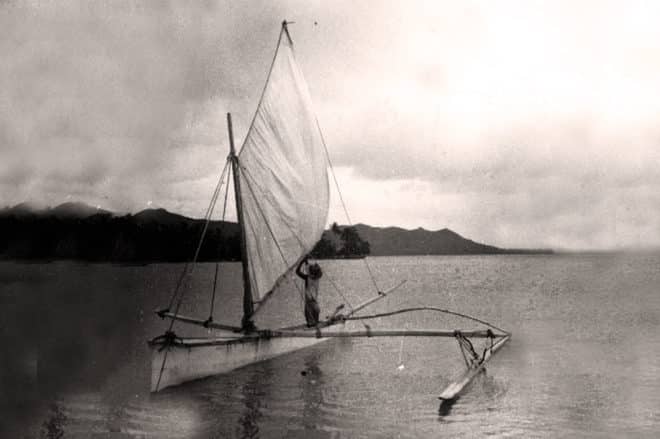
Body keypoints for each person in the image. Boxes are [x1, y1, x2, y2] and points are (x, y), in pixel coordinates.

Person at [296, 256, 322, 327]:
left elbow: (297, 272)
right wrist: (305, 261)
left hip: (309, 305)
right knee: (315, 322)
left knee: (310, 324)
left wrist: (301, 262)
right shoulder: (317, 278)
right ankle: (316, 329)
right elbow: (310, 269)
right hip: (315, 304)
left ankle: (313, 330)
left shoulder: (307, 278)